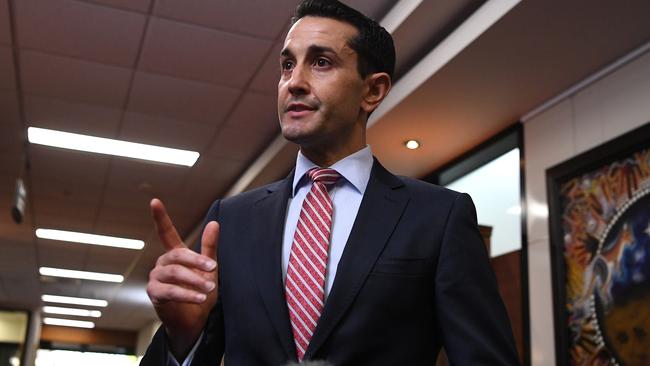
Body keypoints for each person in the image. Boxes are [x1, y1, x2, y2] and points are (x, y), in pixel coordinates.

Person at [142, 0, 520, 365]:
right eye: (287, 65)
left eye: (321, 62)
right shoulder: (231, 220)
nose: (294, 82)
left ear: (373, 90)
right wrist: (182, 338)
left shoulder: (439, 217)